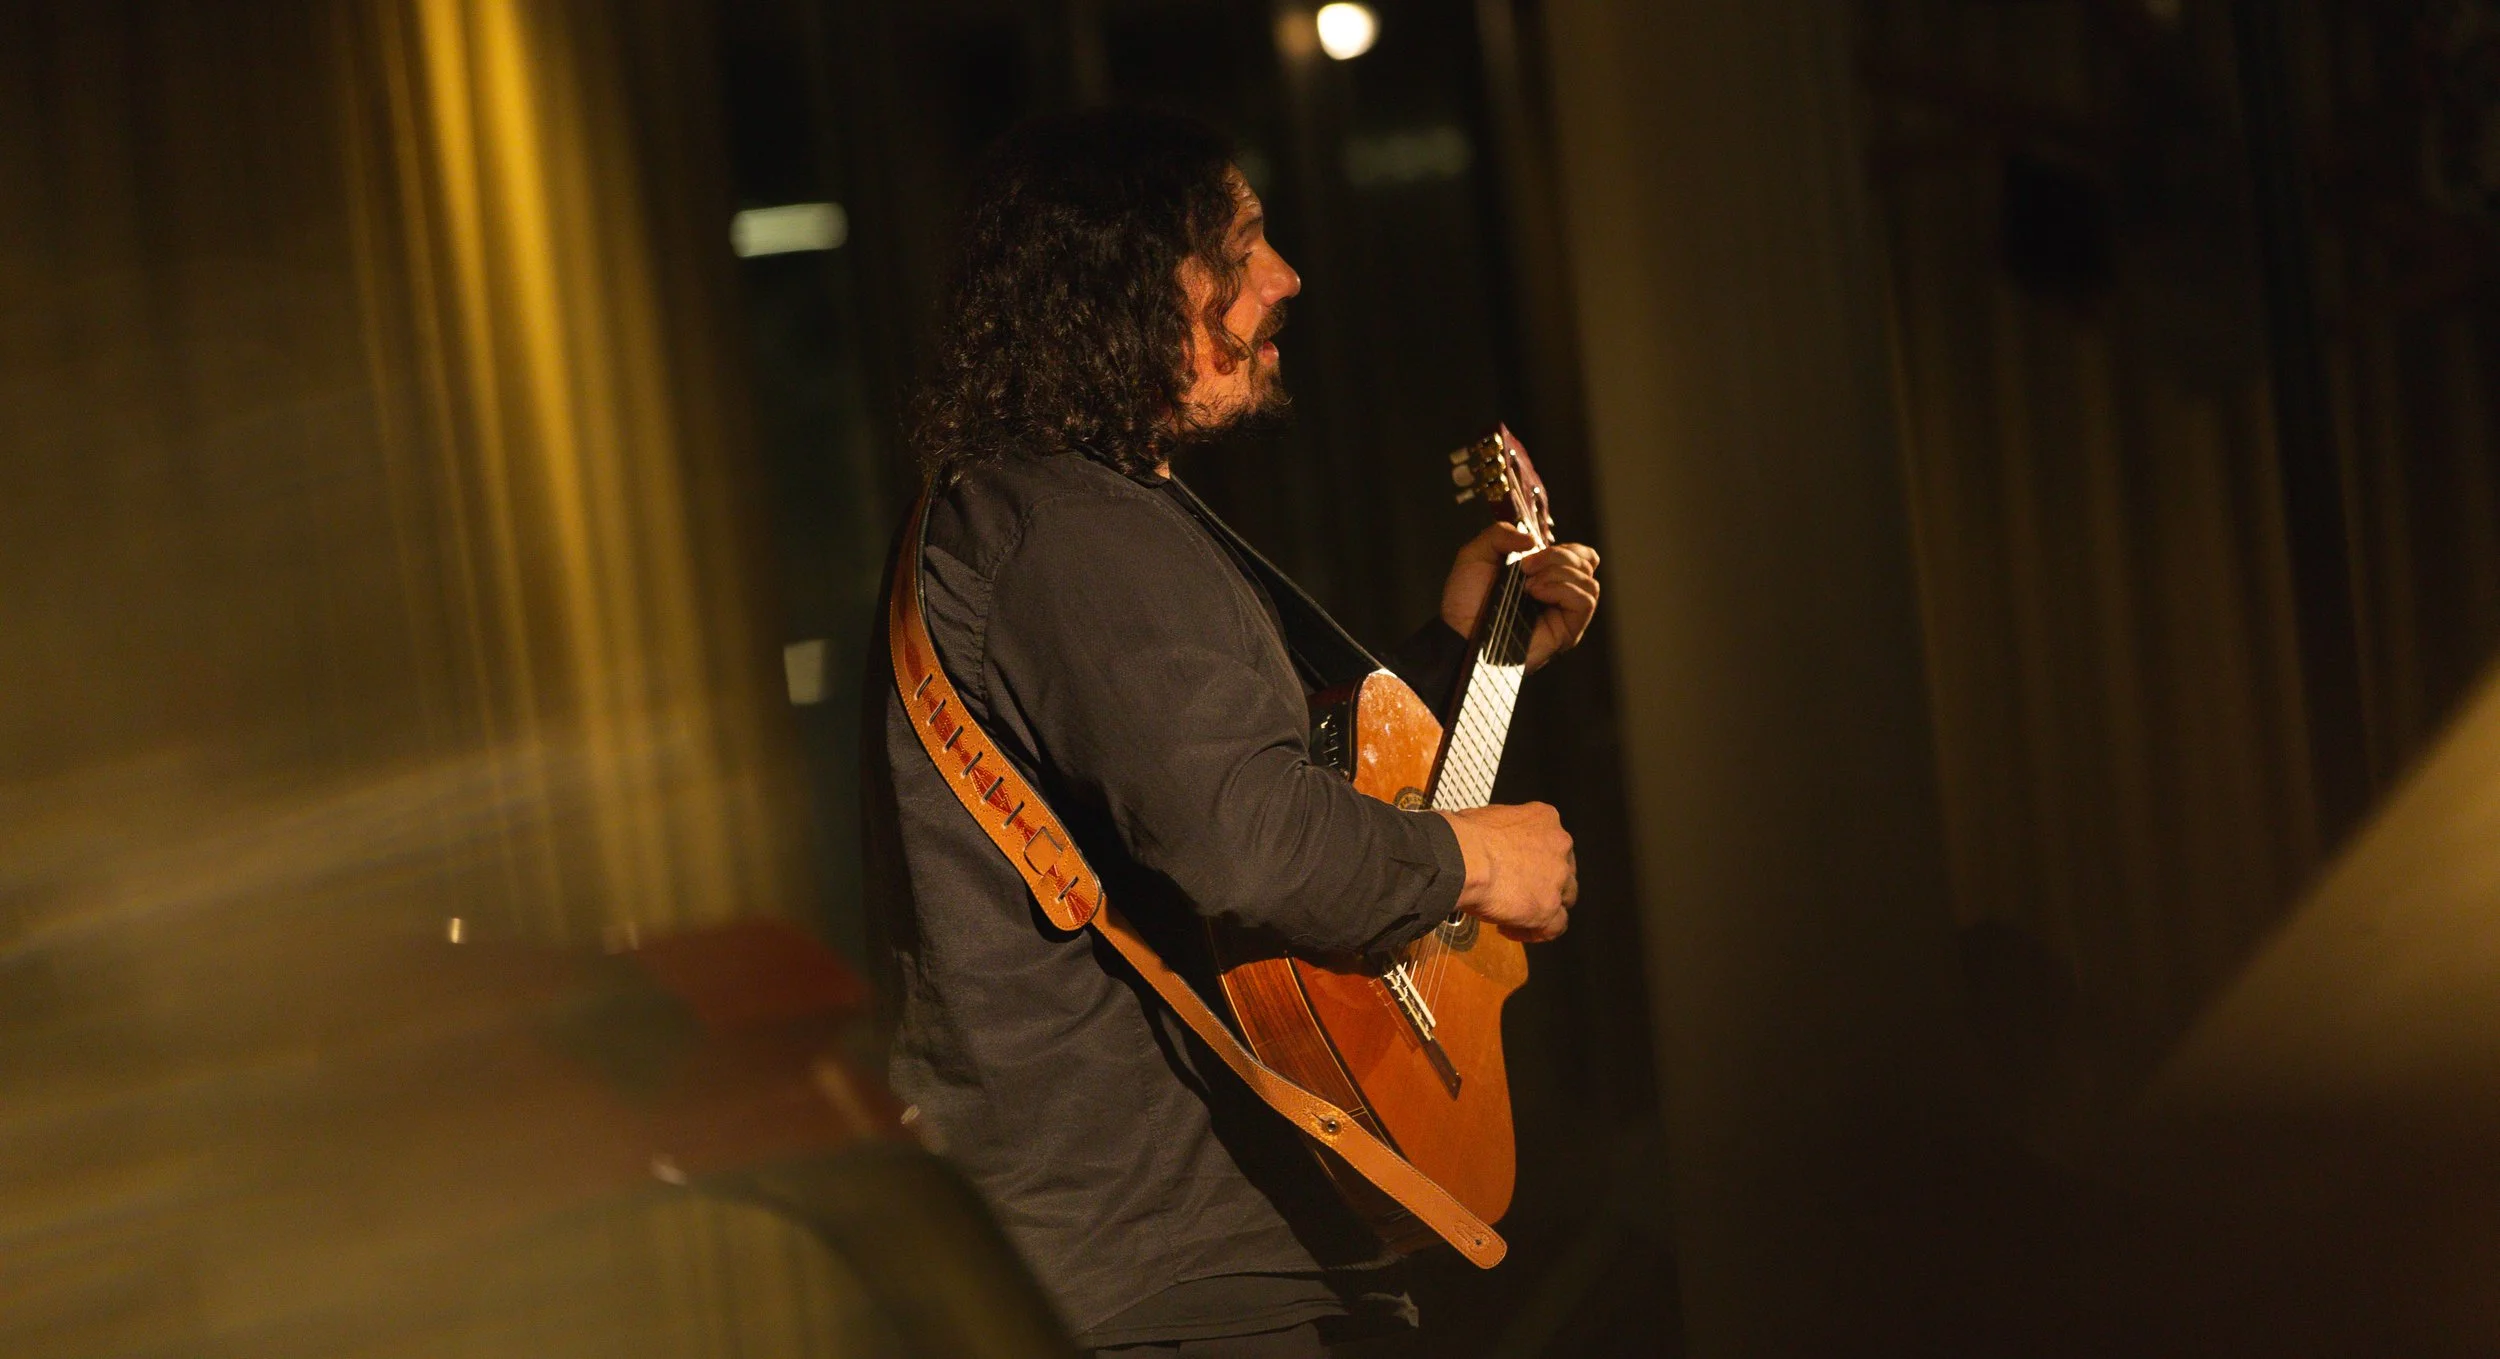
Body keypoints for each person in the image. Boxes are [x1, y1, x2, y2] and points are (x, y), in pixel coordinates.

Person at [863, 109, 1599, 1358]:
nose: (1285, 278)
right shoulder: (1071, 531)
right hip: (1162, 1272)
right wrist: (1475, 860)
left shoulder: (1061, 514)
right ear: (1126, 284)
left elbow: (1233, 783)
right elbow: (1247, 839)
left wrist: (1462, 655)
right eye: (1241, 246)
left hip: (1183, 1252)